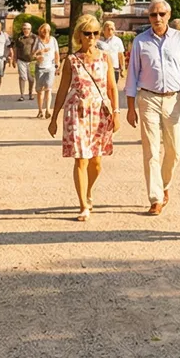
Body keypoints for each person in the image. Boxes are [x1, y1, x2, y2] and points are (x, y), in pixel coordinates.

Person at [123, 0, 180, 215]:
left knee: (174, 150)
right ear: (149, 18)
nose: (157, 18)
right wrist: (130, 106)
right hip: (148, 99)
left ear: (169, 15)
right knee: (151, 151)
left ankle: (164, 186)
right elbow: (132, 74)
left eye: (161, 14)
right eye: (153, 15)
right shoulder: (140, 41)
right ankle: (155, 198)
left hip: (174, 99)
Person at [49, 17, 117, 221]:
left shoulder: (105, 58)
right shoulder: (71, 60)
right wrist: (54, 118)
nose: (92, 37)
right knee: (81, 159)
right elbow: (62, 90)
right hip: (76, 112)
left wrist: (117, 113)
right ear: (79, 35)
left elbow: (112, 87)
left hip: (100, 113)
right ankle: (83, 204)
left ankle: (88, 191)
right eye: (87, 33)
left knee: (96, 162)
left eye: (96, 33)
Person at [33, 24, 60, 119]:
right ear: (40, 31)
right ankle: (40, 110)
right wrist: (38, 55)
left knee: (48, 88)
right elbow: (33, 54)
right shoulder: (37, 40)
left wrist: (58, 65)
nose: (45, 33)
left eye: (47, 31)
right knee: (40, 90)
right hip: (40, 67)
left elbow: (56, 53)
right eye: (43, 31)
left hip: (50, 67)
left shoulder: (53, 40)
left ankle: (48, 110)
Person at [98, 20, 126, 94]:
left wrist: (122, 68)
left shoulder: (118, 41)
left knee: (112, 88)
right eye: (108, 29)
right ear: (104, 30)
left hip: (114, 68)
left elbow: (120, 55)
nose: (110, 31)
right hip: (102, 68)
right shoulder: (99, 41)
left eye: (112, 29)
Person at [13, 21, 37, 98]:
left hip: (31, 61)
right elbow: (16, 49)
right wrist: (14, 59)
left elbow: (38, 48)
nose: (26, 30)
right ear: (22, 29)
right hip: (21, 60)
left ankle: (30, 93)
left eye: (28, 29)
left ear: (30, 29)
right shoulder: (19, 38)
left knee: (31, 79)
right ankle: (22, 95)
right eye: (24, 29)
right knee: (23, 77)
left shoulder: (35, 37)